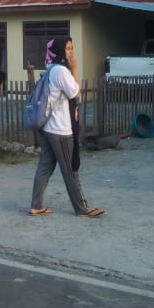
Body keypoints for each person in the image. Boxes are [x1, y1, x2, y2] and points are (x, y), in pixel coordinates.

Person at [30, 37, 104, 218]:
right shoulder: (61, 71)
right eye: (67, 48)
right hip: (60, 129)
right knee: (71, 170)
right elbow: (76, 93)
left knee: (45, 167)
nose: (70, 52)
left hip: (48, 127)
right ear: (59, 51)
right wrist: (75, 69)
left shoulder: (50, 69)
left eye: (71, 48)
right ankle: (81, 208)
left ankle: (36, 205)